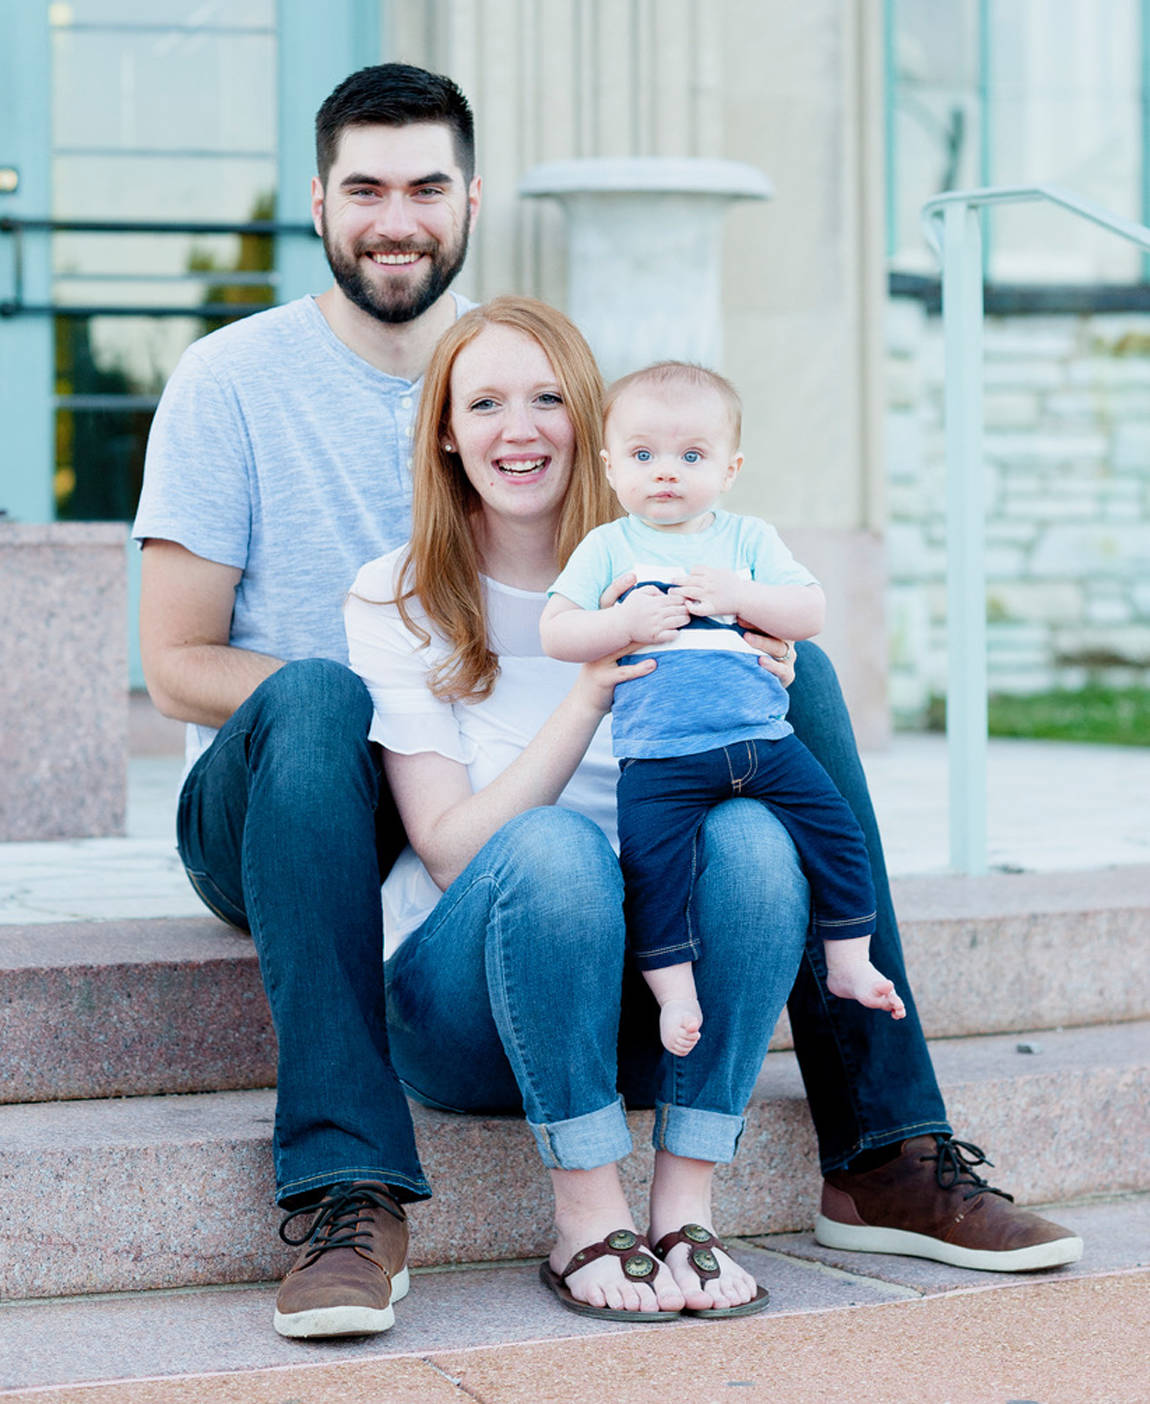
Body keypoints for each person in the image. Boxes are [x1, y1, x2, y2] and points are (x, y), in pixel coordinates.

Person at [132, 61, 1083, 1341]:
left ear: (471, 198)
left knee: (778, 690)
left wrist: (724, 646)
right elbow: (180, 660)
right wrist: (399, 683)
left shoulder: (539, 380)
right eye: (365, 187)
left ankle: (886, 1147)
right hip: (294, 793)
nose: (394, 215)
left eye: (424, 185)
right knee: (324, 705)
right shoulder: (230, 381)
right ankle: (349, 1181)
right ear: (318, 202)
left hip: (512, 812)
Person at [346, 295, 806, 1318]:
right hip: (466, 1008)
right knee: (552, 848)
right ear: (448, 435)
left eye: (548, 398)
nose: (518, 429)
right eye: (485, 404)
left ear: (592, 429)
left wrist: (755, 672)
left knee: (754, 839)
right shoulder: (399, 593)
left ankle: (684, 1208)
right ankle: (585, 1216)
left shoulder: (676, 573)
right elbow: (455, 852)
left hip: (654, 1005)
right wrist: (590, 684)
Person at [541, 362, 906, 1057]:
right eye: (644, 455)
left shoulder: (748, 541)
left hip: (762, 741)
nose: (666, 472)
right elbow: (557, 632)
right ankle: (674, 993)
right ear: (612, 466)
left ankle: (850, 959)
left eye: (692, 455)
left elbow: (810, 610)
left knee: (839, 832)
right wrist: (624, 624)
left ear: (730, 468)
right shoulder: (608, 546)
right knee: (655, 872)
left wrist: (743, 596)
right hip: (661, 759)